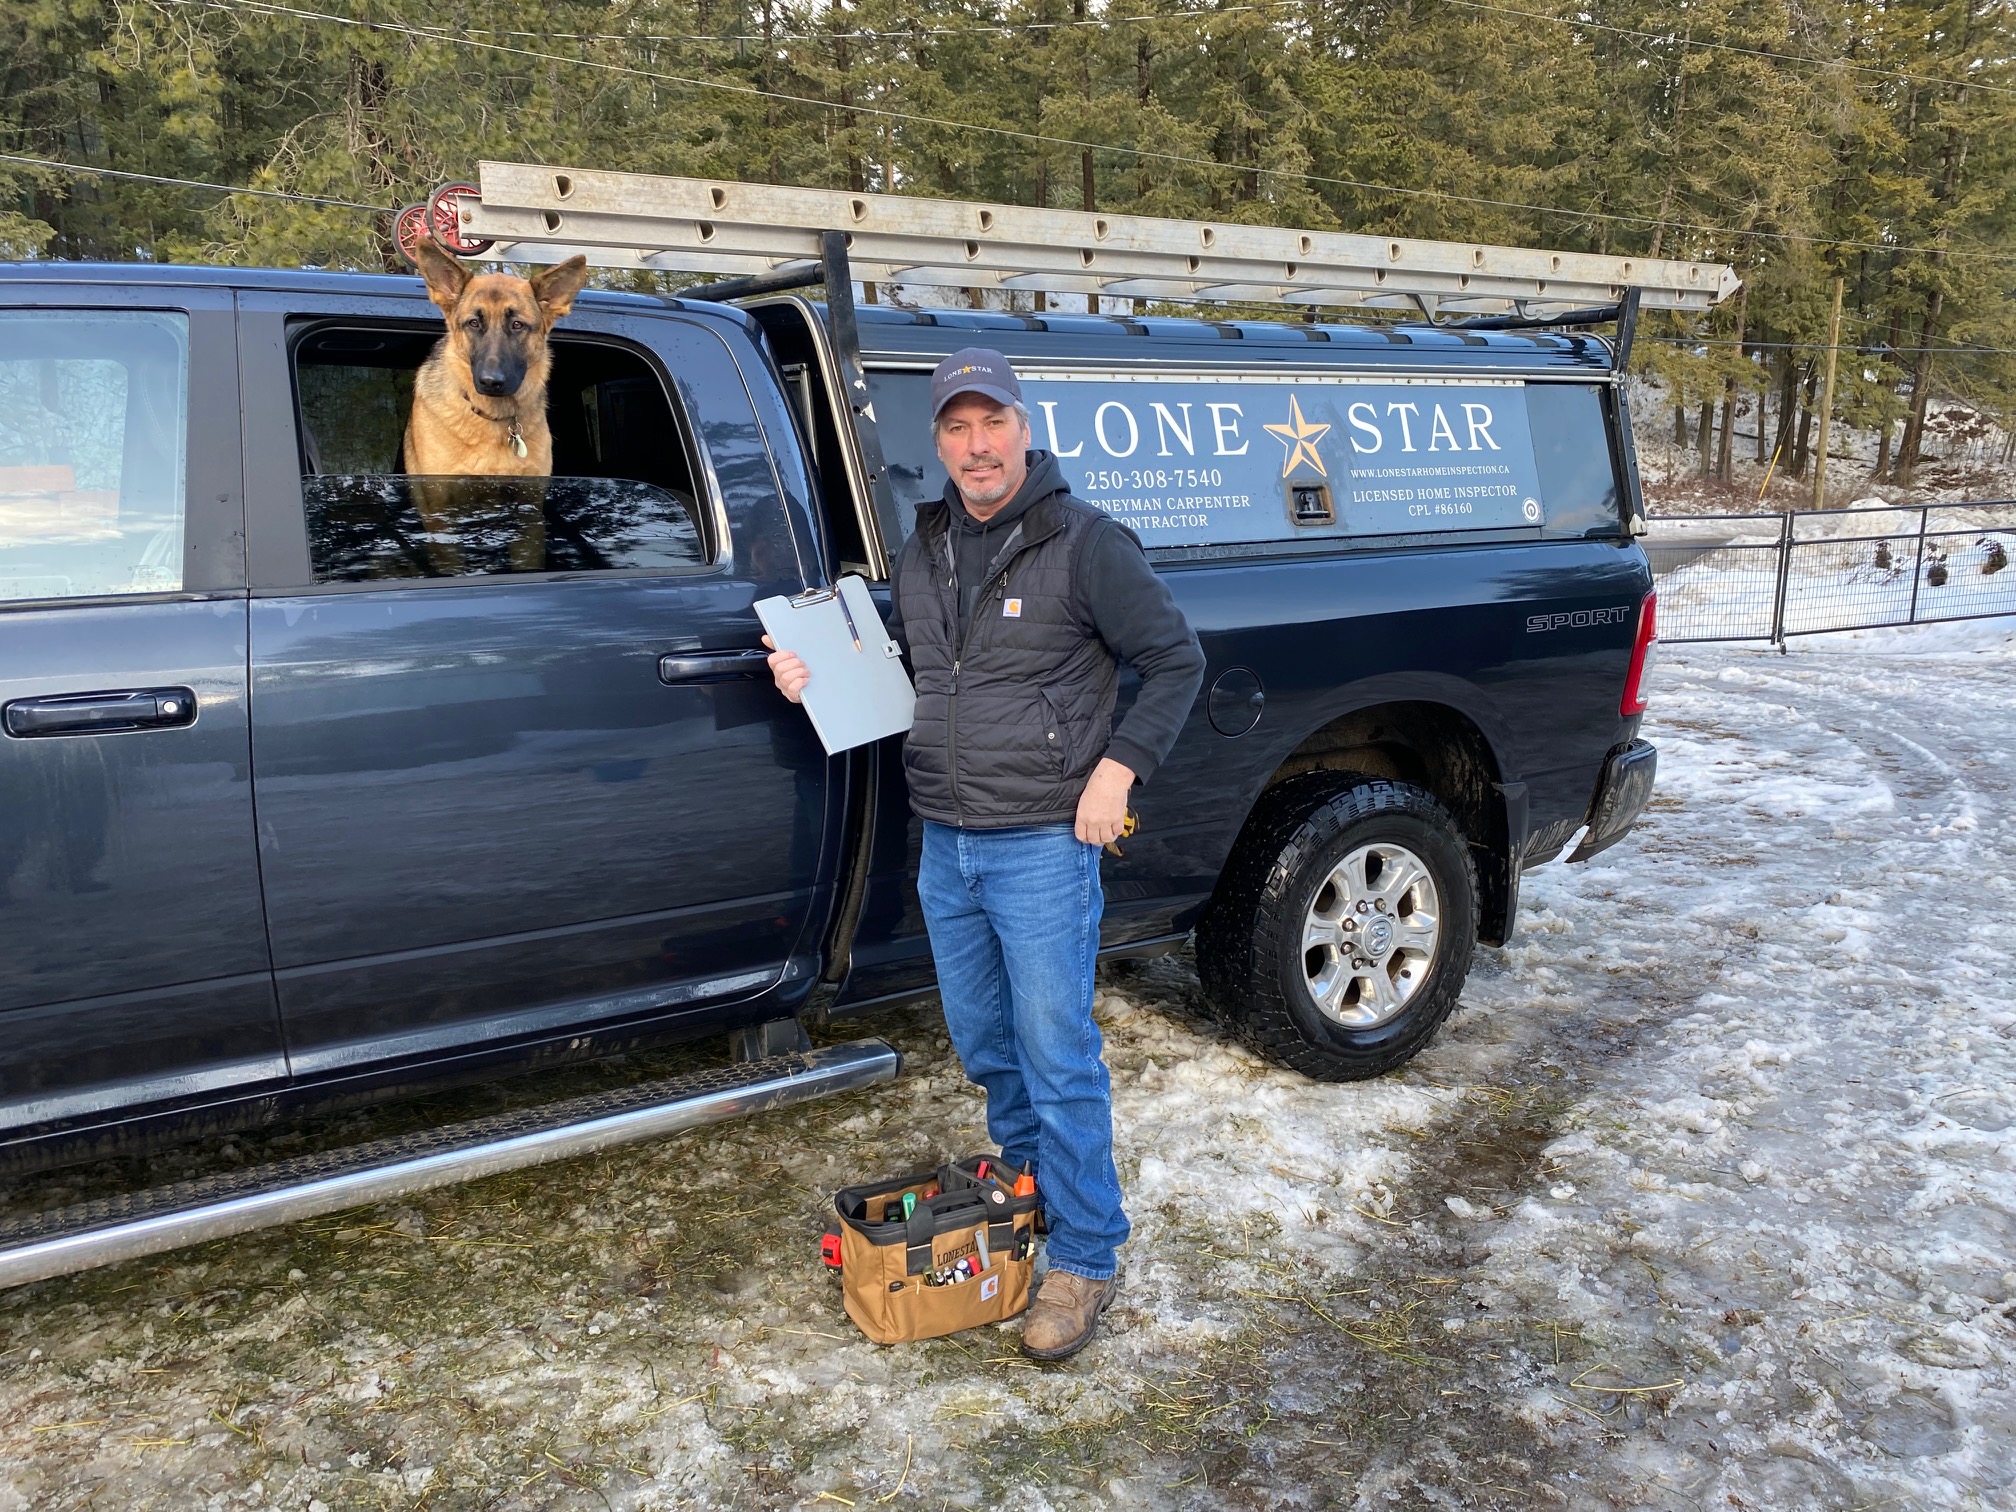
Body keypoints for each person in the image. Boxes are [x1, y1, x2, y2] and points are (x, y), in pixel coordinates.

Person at [766, 347, 1206, 1360]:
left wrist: (1118, 771)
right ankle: (1027, 1198)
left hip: (1044, 843)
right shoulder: (927, 549)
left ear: (1023, 425)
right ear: (941, 443)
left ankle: (1087, 1256)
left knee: (1058, 1056)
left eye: (992, 423)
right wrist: (809, 673)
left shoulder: (1085, 542)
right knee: (989, 1046)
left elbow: (1176, 659)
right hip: (948, 841)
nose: (977, 446)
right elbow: (905, 670)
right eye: (958, 429)